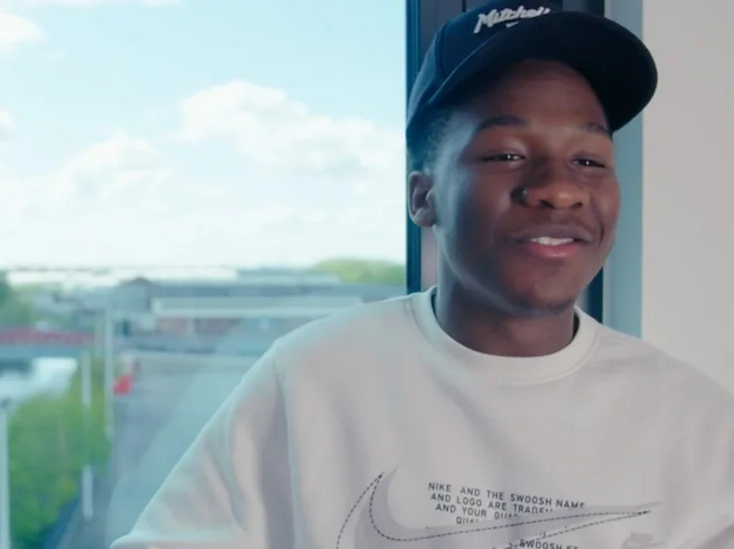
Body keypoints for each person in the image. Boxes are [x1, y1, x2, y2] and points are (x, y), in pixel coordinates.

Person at [110, 1, 734, 547]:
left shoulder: (695, 425)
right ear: (422, 196)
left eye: (589, 159)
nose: (559, 188)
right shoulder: (311, 380)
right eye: (507, 154)